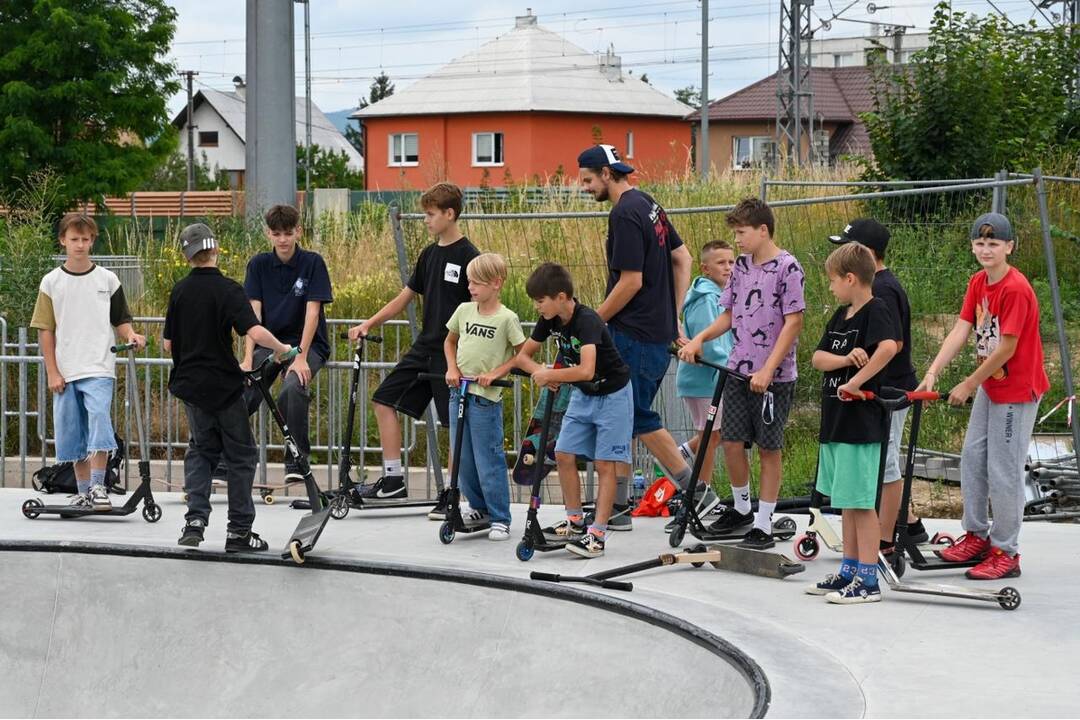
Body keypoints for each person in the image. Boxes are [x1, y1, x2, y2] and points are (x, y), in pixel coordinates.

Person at [918, 213, 1048, 580]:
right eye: (980, 243)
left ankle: (1006, 552)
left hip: (1016, 391)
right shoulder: (979, 282)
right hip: (993, 386)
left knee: (1003, 471)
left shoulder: (1015, 289)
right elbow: (961, 331)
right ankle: (976, 536)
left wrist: (969, 383)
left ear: (1009, 247)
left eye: (994, 244)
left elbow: (1007, 348)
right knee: (973, 458)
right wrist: (933, 372)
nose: (986, 249)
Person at [578, 143, 694, 531]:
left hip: (634, 335)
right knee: (622, 420)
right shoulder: (648, 204)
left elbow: (631, 281)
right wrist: (672, 315)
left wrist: (592, 321)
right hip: (655, 332)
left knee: (638, 416)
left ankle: (698, 494)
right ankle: (619, 505)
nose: (584, 187)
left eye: (588, 180)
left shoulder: (624, 214)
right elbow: (684, 258)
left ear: (607, 176)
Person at [678, 198, 805, 550]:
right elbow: (728, 315)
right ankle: (743, 508)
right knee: (731, 442)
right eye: (734, 234)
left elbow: (793, 322)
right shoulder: (743, 268)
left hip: (773, 378)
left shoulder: (787, 267)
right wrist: (700, 339)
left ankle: (764, 523)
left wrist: (767, 369)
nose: (737, 241)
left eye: (741, 233)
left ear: (763, 230)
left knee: (768, 448)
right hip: (737, 371)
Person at [347, 182, 479, 516]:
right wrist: (369, 323)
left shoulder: (470, 256)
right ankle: (393, 480)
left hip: (453, 353)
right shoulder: (429, 254)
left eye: (431, 214)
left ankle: (451, 493)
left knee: (452, 425)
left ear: (450, 214)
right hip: (425, 347)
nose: (426, 220)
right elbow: (405, 297)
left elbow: (481, 306)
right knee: (382, 399)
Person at [164, 223, 294, 552]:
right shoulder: (228, 289)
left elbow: (167, 344)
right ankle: (238, 532)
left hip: (191, 387)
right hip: (224, 387)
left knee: (201, 451)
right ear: (216, 250)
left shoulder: (179, 291)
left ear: (186, 255)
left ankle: (195, 521)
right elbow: (253, 330)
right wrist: (282, 349)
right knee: (240, 456)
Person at [514, 263, 633, 558]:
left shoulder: (587, 321)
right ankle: (576, 521)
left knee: (605, 464)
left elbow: (586, 369)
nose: (537, 306)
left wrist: (551, 376)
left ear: (562, 297)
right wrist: (540, 371)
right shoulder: (550, 319)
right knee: (564, 453)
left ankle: (597, 535)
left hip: (612, 394)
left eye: (540, 300)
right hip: (582, 395)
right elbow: (523, 356)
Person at [827, 219, 930, 552]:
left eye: (848, 247)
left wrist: (858, 372)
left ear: (867, 256)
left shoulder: (882, 290)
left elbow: (892, 344)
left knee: (885, 464)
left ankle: (887, 537)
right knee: (882, 463)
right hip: (878, 391)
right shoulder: (875, 288)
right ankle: (909, 523)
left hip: (890, 391)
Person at [805, 243, 899, 604]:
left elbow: (888, 348)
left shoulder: (877, 309)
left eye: (832, 281)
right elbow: (817, 358)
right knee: (845, 501)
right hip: (836, 423)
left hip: (860, 423)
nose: (830, 288)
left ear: (850, 278)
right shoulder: (841, 315)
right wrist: (846, 359)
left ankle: (868, 579)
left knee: (861, 503)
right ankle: (848, 569)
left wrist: (857, 382)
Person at [31, 213, 145, 512]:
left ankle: (98, 485)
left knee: (98, 420)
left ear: (92, 241)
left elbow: (121, 319)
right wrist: (52, 371)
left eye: (85, 239)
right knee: (73, 432)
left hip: (99, 365)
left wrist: (132, 335)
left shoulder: (107, 279)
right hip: (66, 370)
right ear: (63, 241)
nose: (80, 245)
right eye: (74, 239)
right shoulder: (51, 282)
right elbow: (46, 330)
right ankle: (83, 491)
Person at [237, 204, 333, 481]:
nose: (282, 240)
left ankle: (296, 462)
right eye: (277, 234)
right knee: (243, 391)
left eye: (288, 233)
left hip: (307, 344)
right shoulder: (258, 265)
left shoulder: (312, 262)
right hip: (268, 343)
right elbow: (252, 315)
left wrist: (301, 356)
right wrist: (247, 358)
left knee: (293, 387)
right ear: (268, 234)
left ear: (298, 232)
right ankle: (227, 460)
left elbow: (312, 312)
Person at [443, 253, 526, 541]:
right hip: (459, 393)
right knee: (463, 457)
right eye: (469, 282)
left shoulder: (507, 318)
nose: (471, 288)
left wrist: (496, 372)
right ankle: (479, 507)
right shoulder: (464, 311)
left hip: (485, 399)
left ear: (496, 283)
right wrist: (452, 368)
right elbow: (449, 341)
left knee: (488, 458)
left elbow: (522, 354)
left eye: (477, 283)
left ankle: (500, 516)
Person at [670, 239, 736, 527]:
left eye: (732, 262)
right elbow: (710, 342)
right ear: (705, 268)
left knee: (714, 435)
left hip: (710, 377)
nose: (729, 268)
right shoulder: (707, 299)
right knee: (711, 437)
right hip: (706, 378)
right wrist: (730, 364)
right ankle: (702, 495)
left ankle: (682, 454)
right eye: (722, 263)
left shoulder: (716, 294)